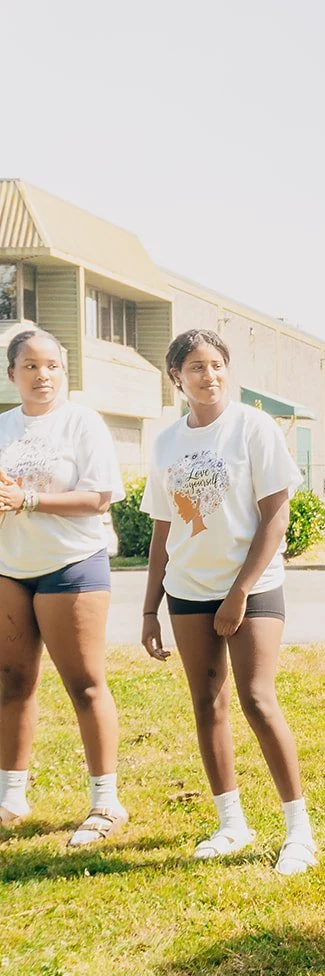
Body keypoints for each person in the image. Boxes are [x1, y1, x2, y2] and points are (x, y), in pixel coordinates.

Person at [139, 328, 318, 876]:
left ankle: (299, 832)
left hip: (253, 586)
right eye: (196, 366)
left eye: (216, 364)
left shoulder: (253, 427)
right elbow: (163, 530)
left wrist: (239, 592)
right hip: (188, 590)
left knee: (257, 700)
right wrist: (149, 608)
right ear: (177, 377)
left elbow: (276, 516)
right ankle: (231, 824)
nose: (209, 375)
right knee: (206, 703)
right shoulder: (166, 443)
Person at [0, 329, 129, 847]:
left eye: (51, 365)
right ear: (12, 374)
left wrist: (28, 501)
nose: (42, 375)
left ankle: (105, 802)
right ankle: (10, 798)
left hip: (71, 563)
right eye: (30, 366)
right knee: (11, 681)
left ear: (63, 370)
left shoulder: (82, 422)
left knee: (85, 684)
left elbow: (99, 496)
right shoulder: (3, 426)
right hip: (9, 567)